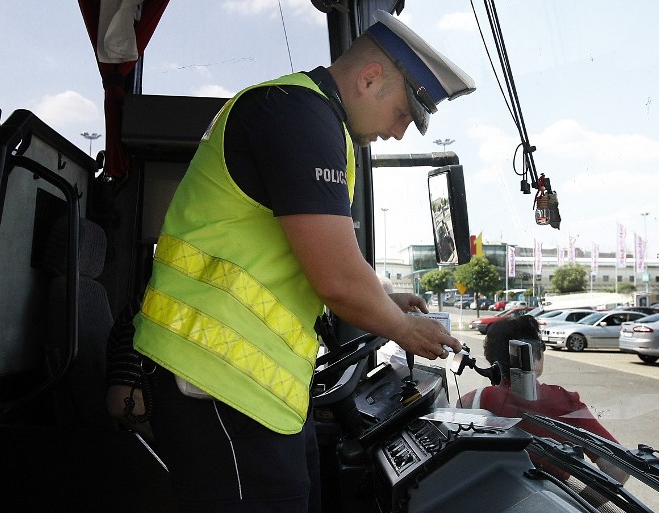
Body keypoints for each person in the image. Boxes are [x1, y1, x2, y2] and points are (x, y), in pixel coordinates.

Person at [131, 11, 472, 513]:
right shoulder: (296, 113)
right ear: (370, 78)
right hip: (214, 380)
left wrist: (384, 300)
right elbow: (335, 277)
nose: (400, 132)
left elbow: (318, 263)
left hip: (256, 391)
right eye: (403, 113)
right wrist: (402, 327)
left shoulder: (314, 120)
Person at [456, 315, 628, 486]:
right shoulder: (566, 403)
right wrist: (583, 502)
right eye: (541, 347)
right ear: (531, 354)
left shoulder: (471, 401)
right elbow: (619, 470)